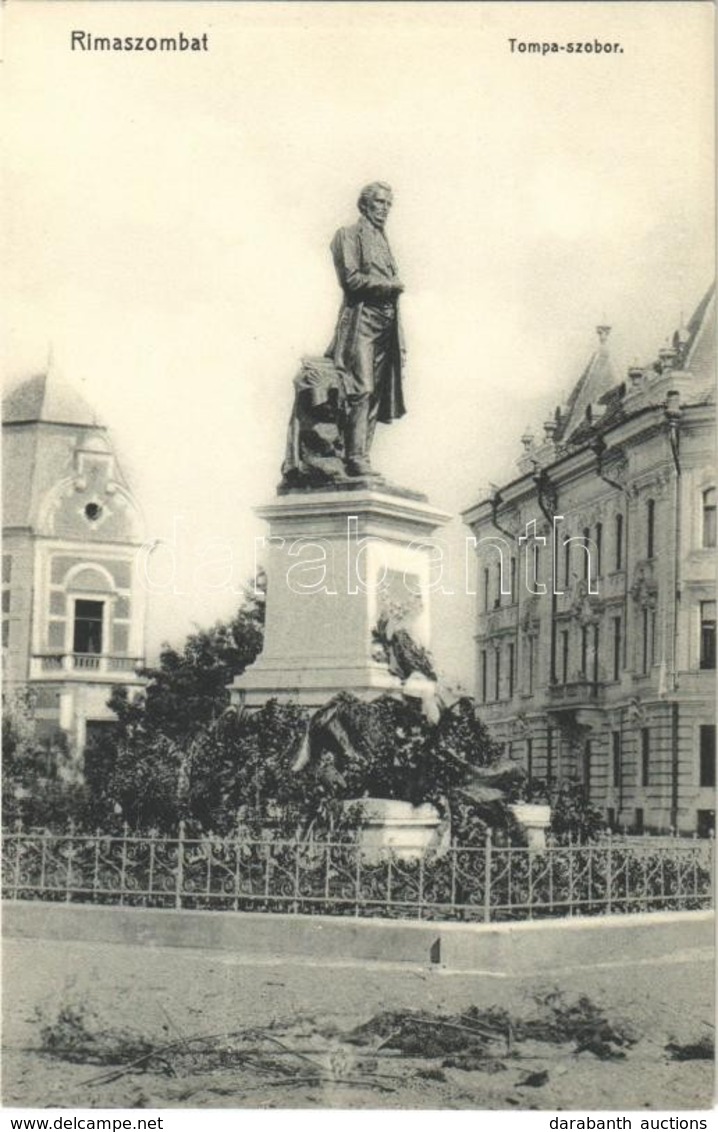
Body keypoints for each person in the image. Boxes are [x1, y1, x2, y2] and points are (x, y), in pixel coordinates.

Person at [326, 182, 406, 477]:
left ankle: (362, 456)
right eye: (379, 202)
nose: (384, 209)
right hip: (362, 321)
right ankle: (354, 456)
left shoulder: (383, 240)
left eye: (388, 204)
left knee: (377, 394)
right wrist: (390, 285)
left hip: (386, 324)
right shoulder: (347, 235)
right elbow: (351, 279)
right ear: (365, 204)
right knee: (362, 388)